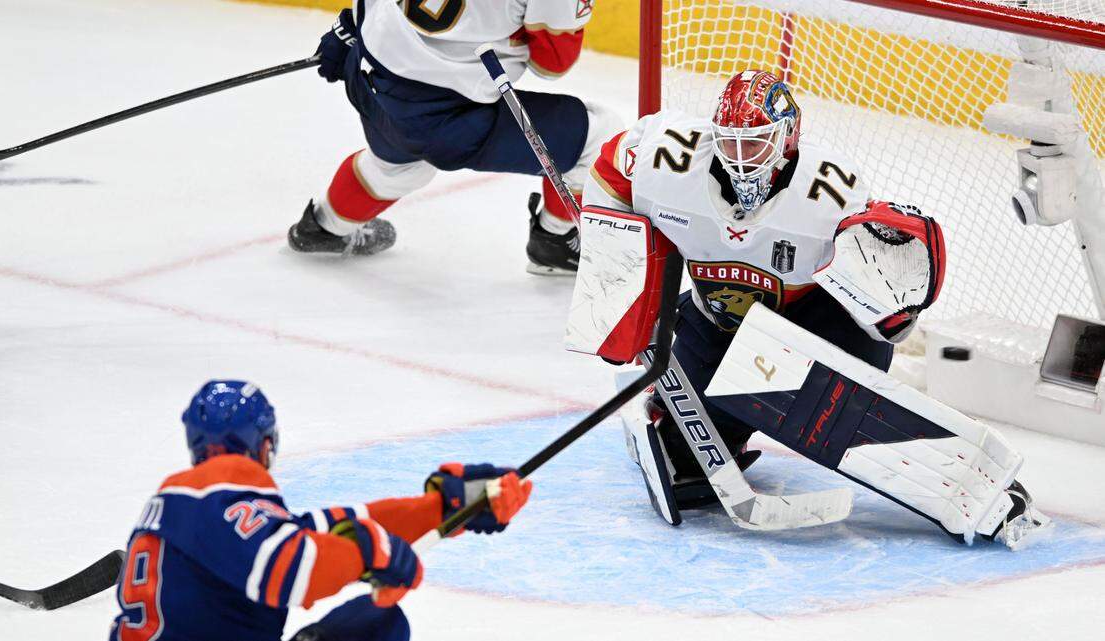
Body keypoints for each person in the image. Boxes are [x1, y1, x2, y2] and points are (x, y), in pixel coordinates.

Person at [569, 69, 1045, 547]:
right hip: (717, 323)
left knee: (841, 412)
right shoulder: (668, 161)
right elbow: (610, 170)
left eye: (753, 144)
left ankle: (973, 486)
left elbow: (888, 331)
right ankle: (718, 423)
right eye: (727, 143)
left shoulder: (829, 198)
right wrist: (616, 274)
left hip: (815, 332)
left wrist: (893, 306)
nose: (738, 158)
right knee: (685, 466)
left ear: (785, 140)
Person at [108, 380, 532, 641]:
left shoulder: (195, 501)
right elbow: (291, 570)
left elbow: (330, 528)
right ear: (264, 443)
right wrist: (369, 551)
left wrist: (440, 508)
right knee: (378, 629)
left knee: (369, 622)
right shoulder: (228, 483)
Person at [286, 0, 622, 276]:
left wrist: (348, 27)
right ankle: (556, 240)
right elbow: (551, 65)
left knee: (398, 167)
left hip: (371, 71)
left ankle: (324, 226)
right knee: (600, 137)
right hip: (444, 114)